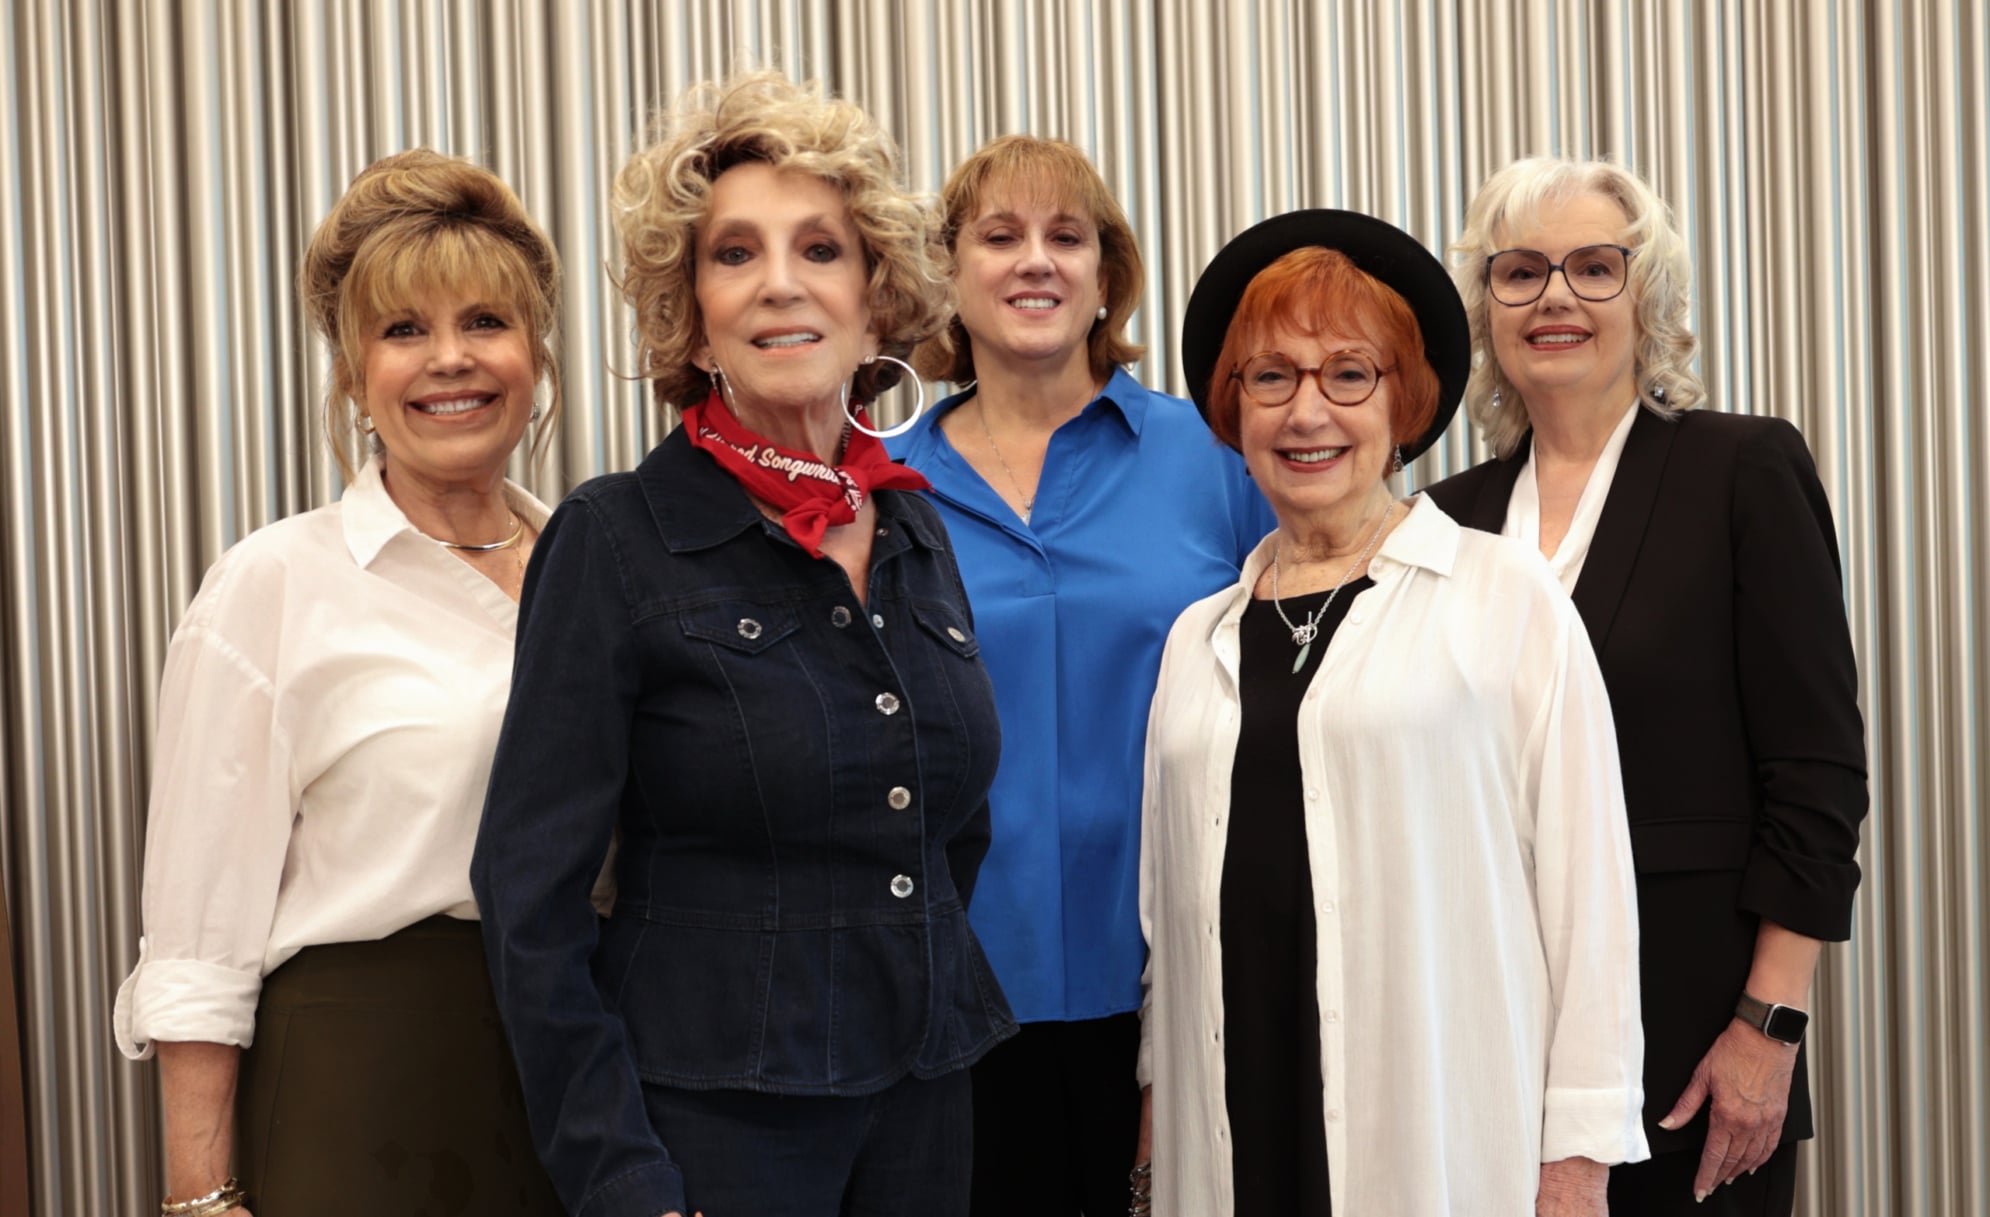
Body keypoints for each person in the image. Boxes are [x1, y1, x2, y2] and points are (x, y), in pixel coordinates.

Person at [470, 71, 1015, 1217]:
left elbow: (948, 826)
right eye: (734, 254)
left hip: (927, 1104)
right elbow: (530, 901)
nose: (779, 283)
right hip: (713, 1131)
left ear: (874, 299)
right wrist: (622, 1175)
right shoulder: (615, 539)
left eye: (820, 248)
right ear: (691, 315)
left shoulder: (913, 525)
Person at [1137, 209, 1650, 1216]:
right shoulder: (1196, 639)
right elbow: (1168, 917)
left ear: (1403, 399)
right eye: (1271, 377)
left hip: (1439, 1132)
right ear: (1233, 408)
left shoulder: (1504, 596)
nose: (1306, 412)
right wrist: (1156, 1113)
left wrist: (1578, 1161)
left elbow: (1589, 896)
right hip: (1232, 1122)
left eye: (1348, 374)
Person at [113, 149, 568, 1216]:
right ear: (355, 377)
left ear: (535, 356)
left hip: (580, 1092)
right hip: (362, 1104)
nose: (450, 359)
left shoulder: (595, 572)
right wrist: (200, 1198)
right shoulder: (273, 585)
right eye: (403, 329)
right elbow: (199, 934)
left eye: (486, 321)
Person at [1426, 157, 1868, 1216]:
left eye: (1594, 267)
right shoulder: (1440, 522)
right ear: (1486, 309)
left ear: (1647, 297)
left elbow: (1815, 773)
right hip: (1485, 1036)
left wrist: (1767, 1028)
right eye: (1520, 272)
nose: (1556, 297)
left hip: (1692, 1044)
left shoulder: (1740, 470)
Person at [889, 135, 1273, 1216]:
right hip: (946, 996)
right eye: (999, 236)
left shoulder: (1218, 459)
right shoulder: (878, 487)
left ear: (1108, 275)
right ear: (948, 273)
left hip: (1184, 984)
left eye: (1066, 236)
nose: (1035, 261)